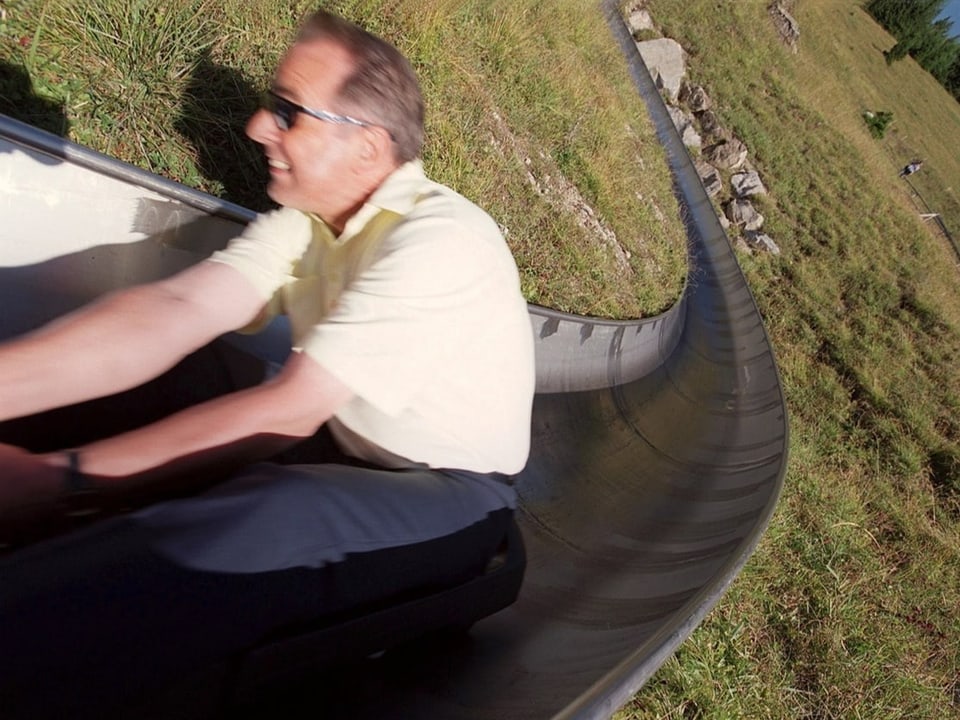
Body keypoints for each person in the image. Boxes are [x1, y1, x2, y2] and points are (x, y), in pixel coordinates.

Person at [0, 10, 535, 718]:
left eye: (287, 112)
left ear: (368, 147)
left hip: (448, 495)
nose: (258, 127)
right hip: (338, 436)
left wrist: (58, 478)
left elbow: (288, 410)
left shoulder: (444, 242)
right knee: (184, 371)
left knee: (263, 519)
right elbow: (175, 312)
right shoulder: (311, 220)